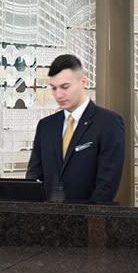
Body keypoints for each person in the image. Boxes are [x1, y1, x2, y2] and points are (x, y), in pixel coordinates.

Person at [26, 53, 125, 203]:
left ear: (83, 82)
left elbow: (107, 184)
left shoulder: (108, 123)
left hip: (89, 220)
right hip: (47, 220)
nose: (58, 94)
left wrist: (87, 220)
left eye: (65, 87)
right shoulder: (46, 126)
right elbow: (34, 177)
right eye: (54, 88)